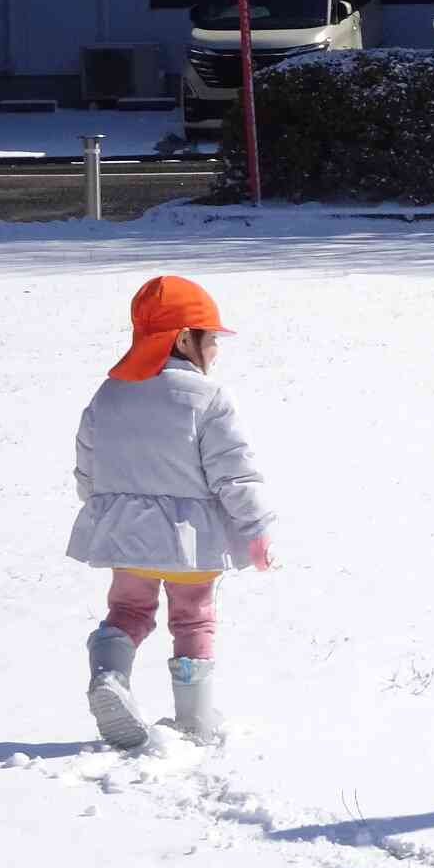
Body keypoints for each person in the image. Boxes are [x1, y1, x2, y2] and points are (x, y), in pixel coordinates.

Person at [68, 275, 276, 749]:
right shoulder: (210, 399)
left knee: (125, 611)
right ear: (184, 338)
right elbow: (234, 474)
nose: (217, 349)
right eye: (212, 338)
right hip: (190, 542)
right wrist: (256, 529)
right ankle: (194, 721)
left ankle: (110, 677)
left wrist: (104, 506)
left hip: (126, 537)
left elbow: (88, 464)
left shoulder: (110, 394)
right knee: (193, 619)